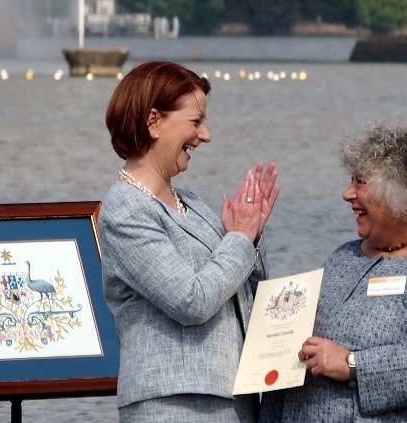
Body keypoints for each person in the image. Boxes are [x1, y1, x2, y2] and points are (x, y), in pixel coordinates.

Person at [259, 123, 407, 422]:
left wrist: (354, 365)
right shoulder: (344, 257)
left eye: (360, 182)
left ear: (403, 194)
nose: (347, 194)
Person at [98, 61, 280, 422]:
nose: (205, 135)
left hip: (234, 397)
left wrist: (250, 240)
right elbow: (190, 300)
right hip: (173, 405)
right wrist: (239, 240)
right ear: (153, 122)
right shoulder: (125, 210)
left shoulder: (192, 204)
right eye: (195, 122)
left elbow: (240, 295)